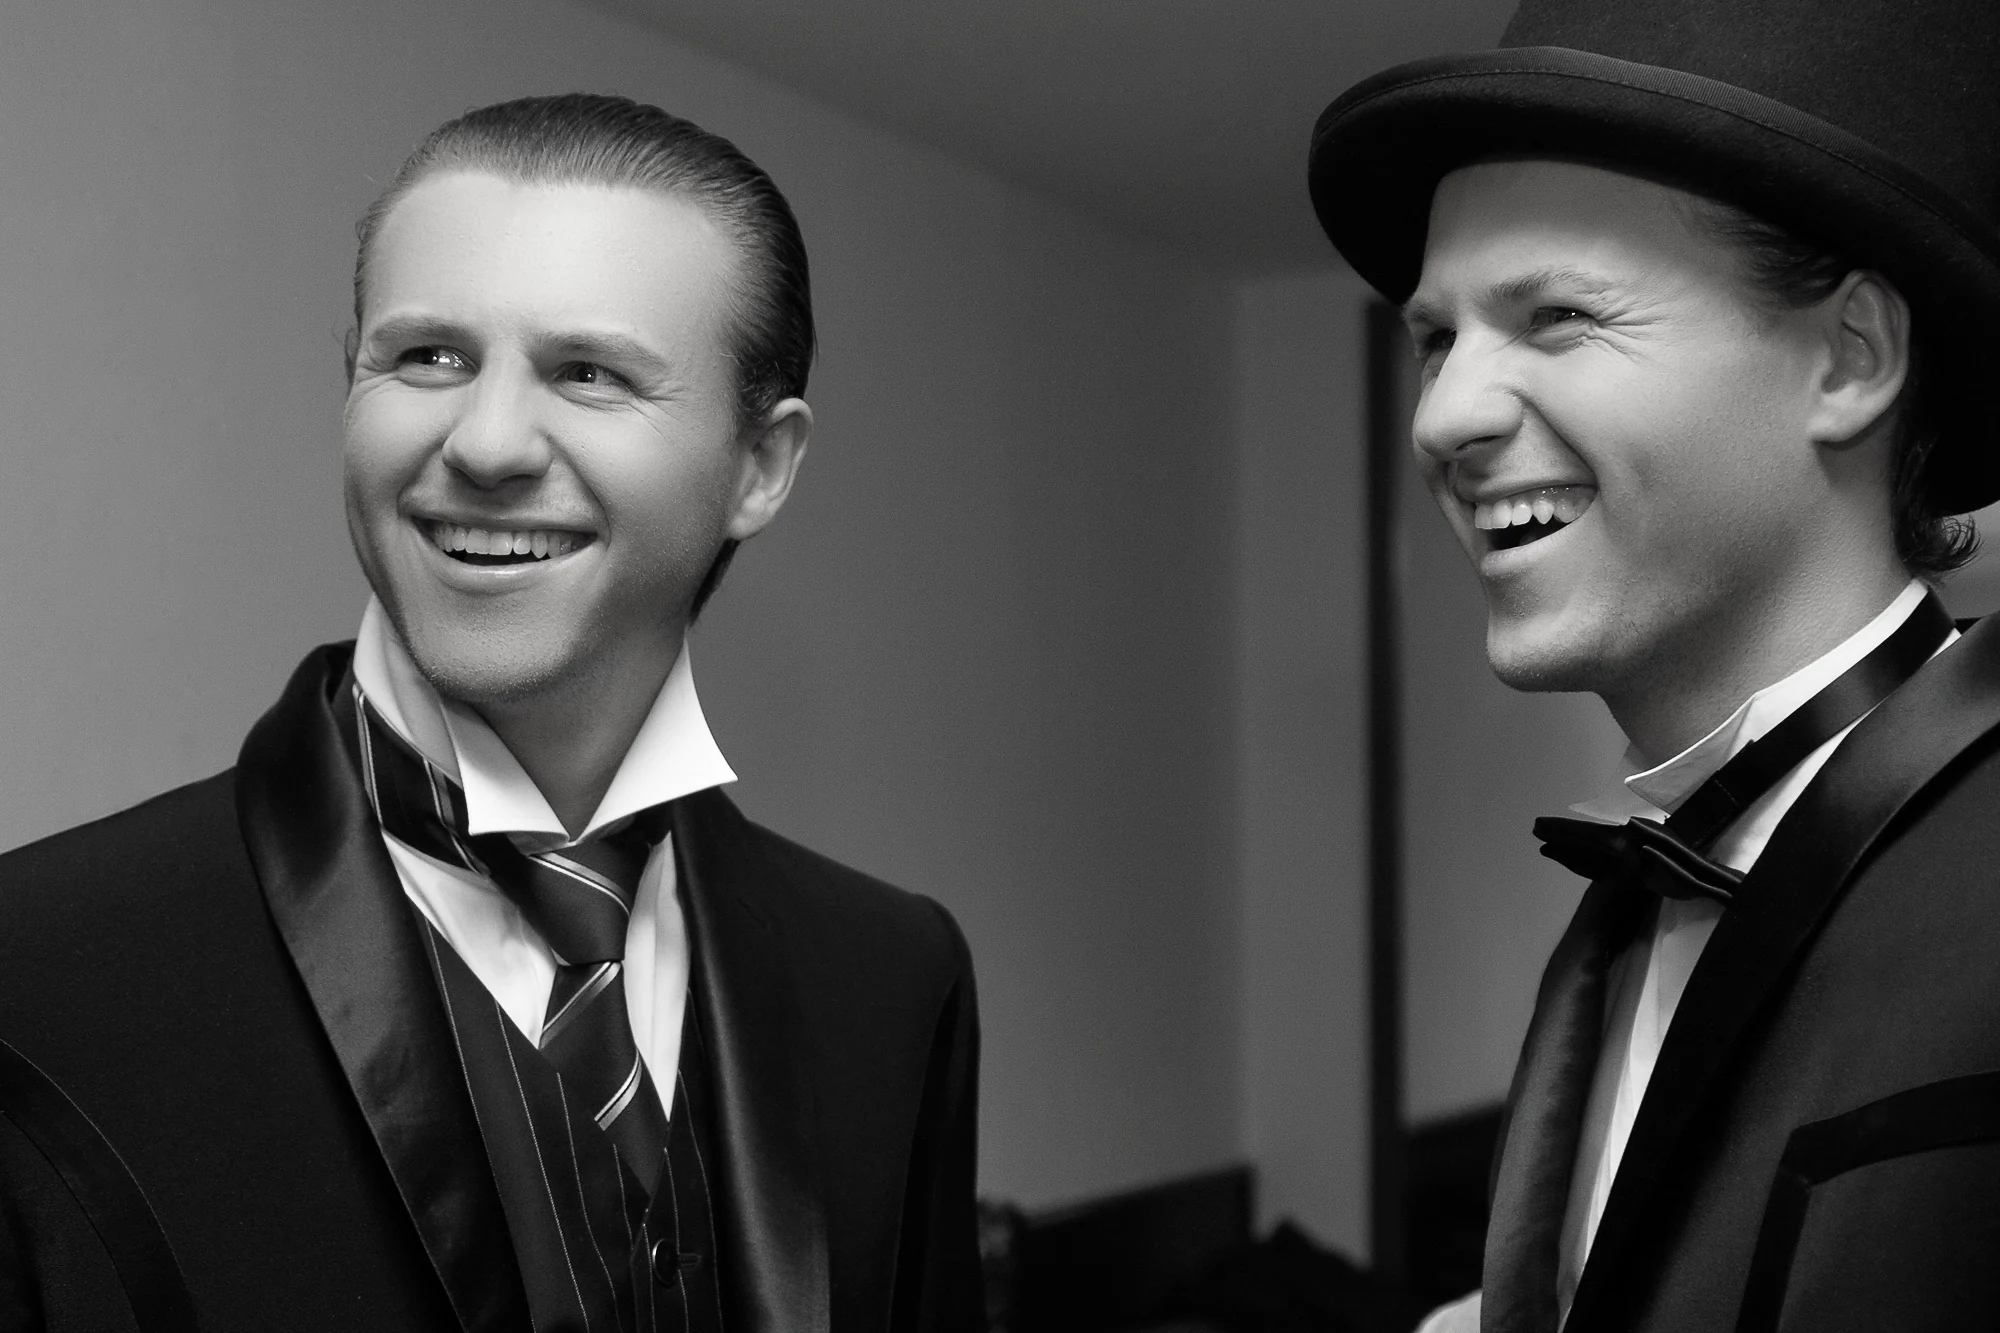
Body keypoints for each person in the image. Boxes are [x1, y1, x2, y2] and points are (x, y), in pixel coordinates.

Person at [0, 94, 982, 1332]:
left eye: (589, 371)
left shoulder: (892, 978)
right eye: (428, 357)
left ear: (760, 467)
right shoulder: (33, 976)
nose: (487, 439)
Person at [1309, 0, 2000, 1329]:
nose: (1443, 416)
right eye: (1435, 338)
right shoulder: (1628, 915)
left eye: (1560, 313)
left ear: (1848, 356)